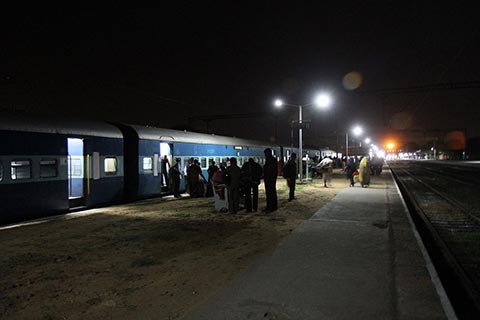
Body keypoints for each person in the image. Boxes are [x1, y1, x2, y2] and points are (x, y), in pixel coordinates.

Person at [262, 148, 278, 213]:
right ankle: (273, 206)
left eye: (265, 154)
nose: (265, 155)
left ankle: (270, 207)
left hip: (269, 179)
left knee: (270, 193)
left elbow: (269, 170)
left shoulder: (269, 160)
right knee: (272, 193)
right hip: (271, 179)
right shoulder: (273, 160)